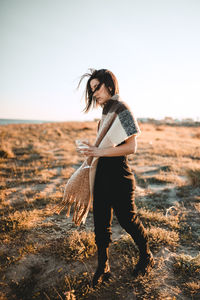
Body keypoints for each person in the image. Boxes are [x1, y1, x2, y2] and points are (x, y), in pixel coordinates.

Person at [76, 68, 154, 287]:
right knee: (101, 224)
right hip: (101, 177)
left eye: (97, 88)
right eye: (91, 91)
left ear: (109, 85)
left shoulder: (121, 109)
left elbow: (132, 147)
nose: (94, 94)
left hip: (120, 177)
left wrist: (98, 152)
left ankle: (146, 256)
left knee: (129, 221)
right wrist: (93, 150)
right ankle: (103, 267)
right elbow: (106, 146)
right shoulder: (105, 114)